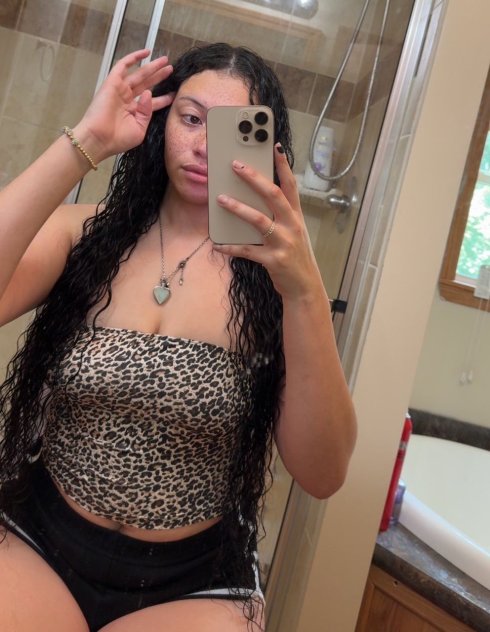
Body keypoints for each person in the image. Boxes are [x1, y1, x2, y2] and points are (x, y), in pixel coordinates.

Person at [0, 43, 357, 632]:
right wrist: (87, 141)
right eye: (191, 119)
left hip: (194, 580)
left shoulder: (276, 284)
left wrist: (304, 292)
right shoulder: (85, 236)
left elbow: (322, 474)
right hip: (41, 538)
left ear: (264, 148)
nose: (205, 145)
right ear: (162, 122)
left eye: (231, 129)